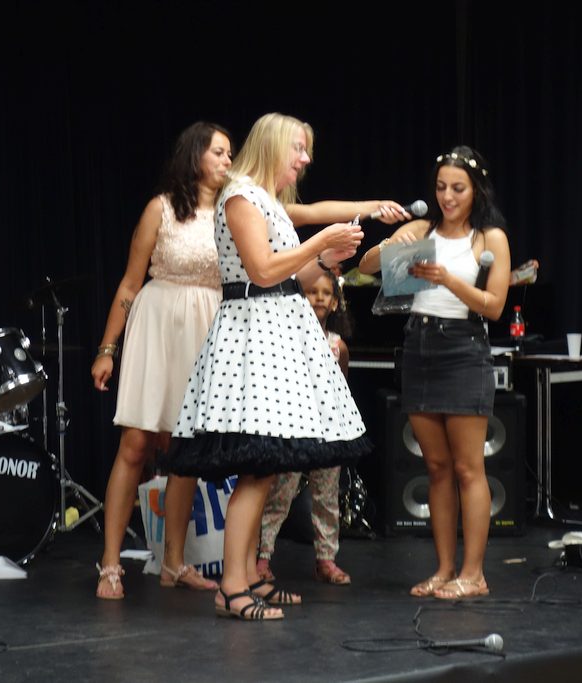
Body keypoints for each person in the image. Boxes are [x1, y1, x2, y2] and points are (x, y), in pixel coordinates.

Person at [161, 112, 406, 621]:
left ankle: (249, 577)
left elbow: (302, 252)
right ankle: (232, 587)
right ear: (273, 146)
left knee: (269, 467)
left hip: (276, 338)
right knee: (257, 467)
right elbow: (263, 269)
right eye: (299, 148)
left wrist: (342, 242)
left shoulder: (266, 201)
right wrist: (321, 244)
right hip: (254, 340)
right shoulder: (240, 197)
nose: (305, 159)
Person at [357, 145, 511, 599]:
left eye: (457, 188)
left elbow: (495, 306)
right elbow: (365, 268)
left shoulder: (489, 237)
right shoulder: (421, 230)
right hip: (419, 344)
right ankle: (444, 569)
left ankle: (474, 574)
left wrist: (449, 280)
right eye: (441, 187)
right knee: (437, 468)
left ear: (476, 189)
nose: (447, 196)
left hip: (464, 347)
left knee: (468, 468)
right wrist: (388, 246)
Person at [90, 121, 233, 599]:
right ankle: (111, 564)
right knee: (136, 443)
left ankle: (174, 562)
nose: (227, 161)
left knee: (185, 451)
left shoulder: (232, 213)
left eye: (230, 154)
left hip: (206, 328)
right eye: (219, 152)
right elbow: (130, 283)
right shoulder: (163, 208)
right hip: (159, 325)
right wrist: (107, 349)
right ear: (195, 156)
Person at [256, 268, 354, 586]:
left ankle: (326, 559)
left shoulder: (337, 345)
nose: (319, 298)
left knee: (326, 495)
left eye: (326, 294)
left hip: (329, 430)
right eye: (312, 292)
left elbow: (342, 386)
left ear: (335, 303)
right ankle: (262, 556)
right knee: (280, 493)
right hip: (294, 427)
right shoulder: (285, 339)